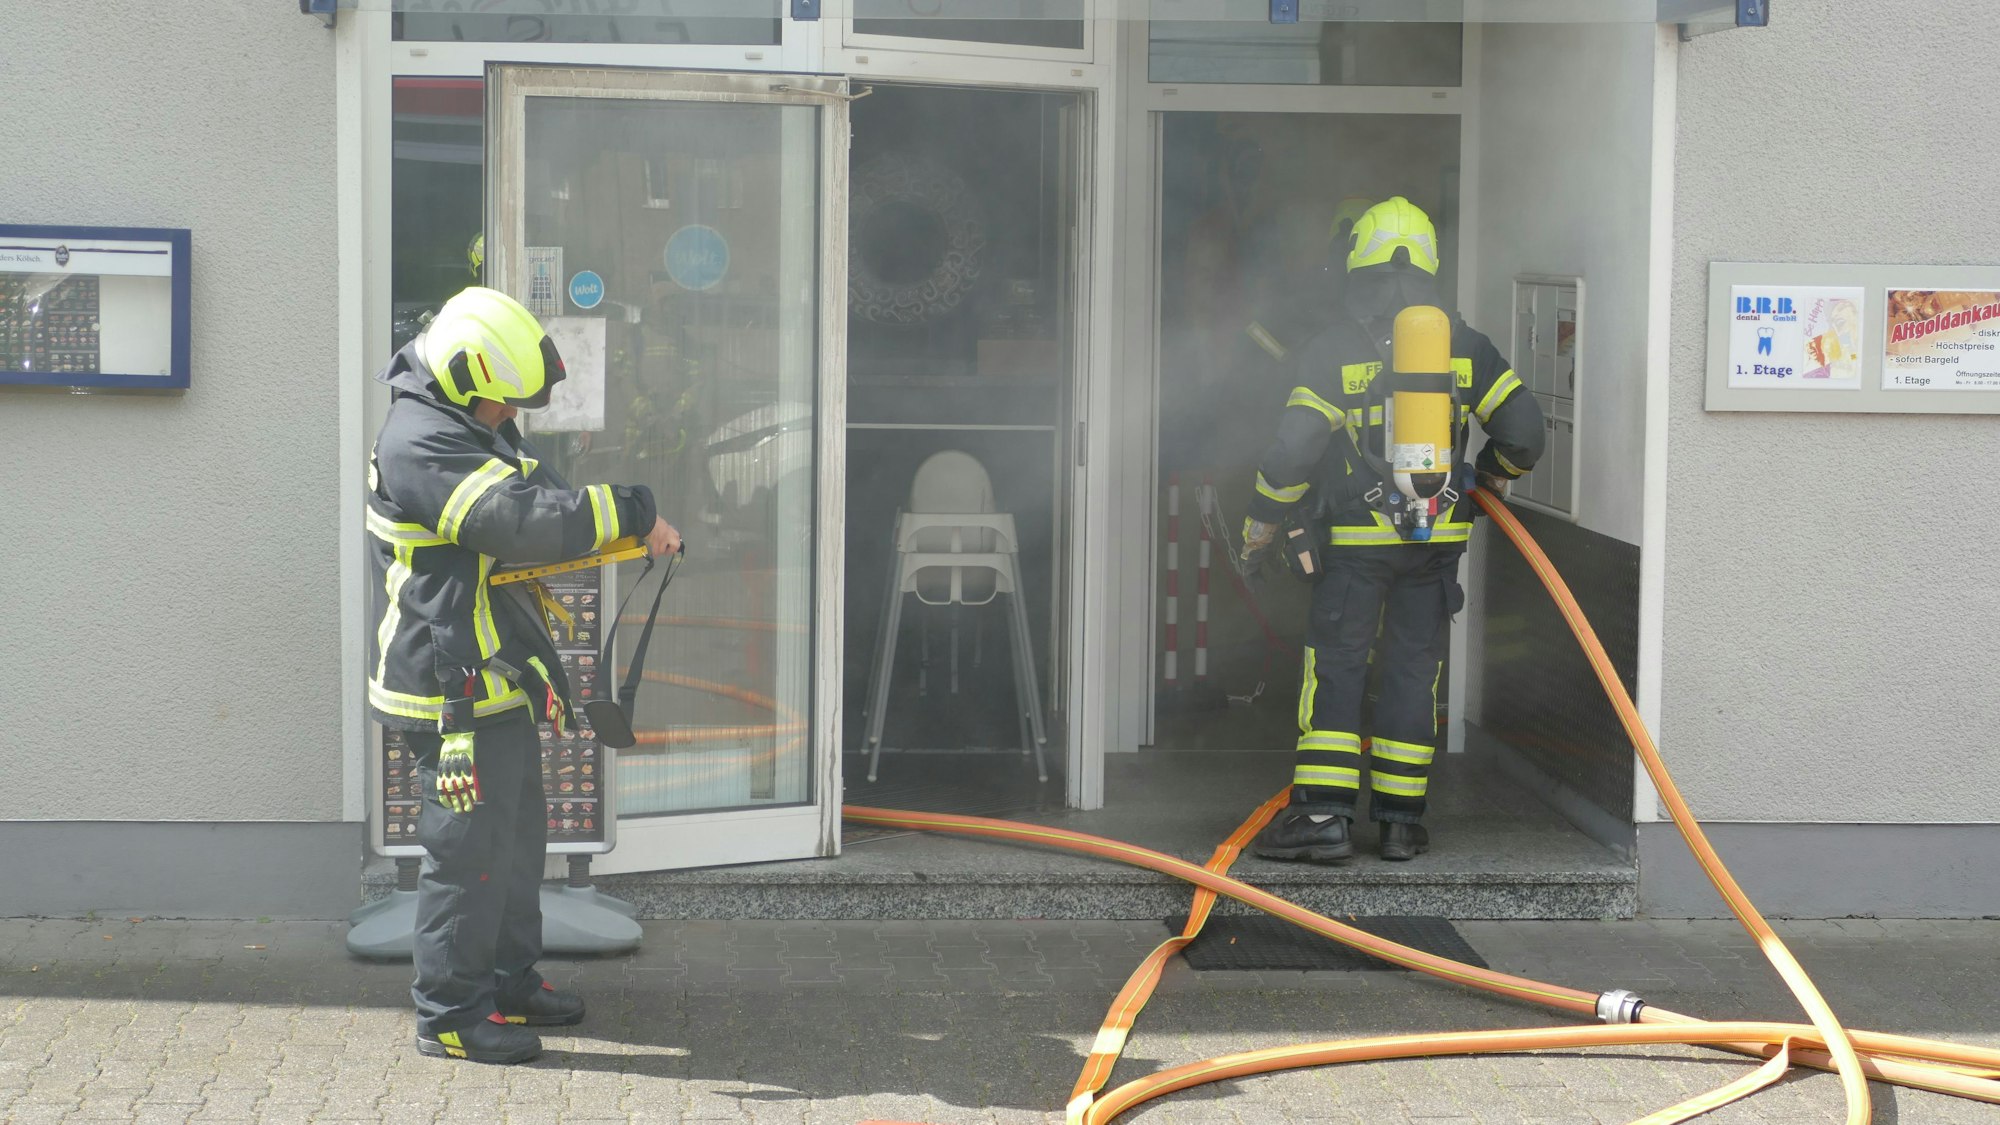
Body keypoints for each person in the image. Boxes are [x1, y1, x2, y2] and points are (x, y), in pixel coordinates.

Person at [366, 286, 680, 1064]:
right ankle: (449, 1015)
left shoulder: (463, 418)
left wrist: (611, 523)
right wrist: (633, 510)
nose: (513, 416)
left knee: (512, 846)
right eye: (506, 402)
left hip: (489, 674)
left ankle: (507, 980)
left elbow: (538, 493)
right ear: (470, 375)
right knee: (466, 858)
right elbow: (520, 520)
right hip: (449, 692)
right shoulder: (420, 442)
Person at [1239, 197, 1545, 864]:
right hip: (1435, 547)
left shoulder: (1333, 350)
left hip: (1355, 546)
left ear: (1358, 267)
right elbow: (1526, 434)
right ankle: (1402, 822)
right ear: (1431, 270)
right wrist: (1485, 475)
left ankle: (1322, 815)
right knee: (1415, 670)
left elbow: (1293, 453)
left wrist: (1262, 519)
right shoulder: (1466, 346)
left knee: (1339, 666)